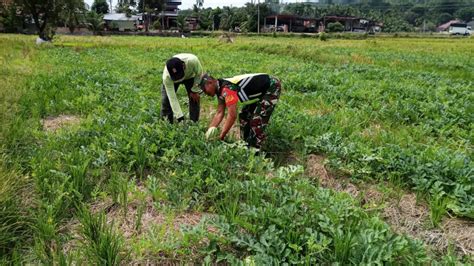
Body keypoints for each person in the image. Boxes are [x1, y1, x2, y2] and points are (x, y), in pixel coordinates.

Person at [201, 73, 282, 149]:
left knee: (256, 121)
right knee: (244, 116)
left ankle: (256, 151)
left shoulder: (227, 89)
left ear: (210, 82)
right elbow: (219, 113)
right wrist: (209, 132)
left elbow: (232, 115)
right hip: (259, 90)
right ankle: (246, 144)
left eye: (204, 90)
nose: (205, 93)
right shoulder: (220, 89)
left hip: (271, 86)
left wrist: (221, 136)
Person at [161, 54, 203, 123]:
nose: (179, 80)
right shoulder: (166, 77)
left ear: (183, 66)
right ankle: (167, 124)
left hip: (190, 77)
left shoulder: (192, 61)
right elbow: (172, 98)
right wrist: (180, 117)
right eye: (176, 77)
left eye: (179, 76)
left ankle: (194, 123)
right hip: (172, 81)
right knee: (166, 101)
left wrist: (195, 90)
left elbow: (199, 74)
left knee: (194, 98)